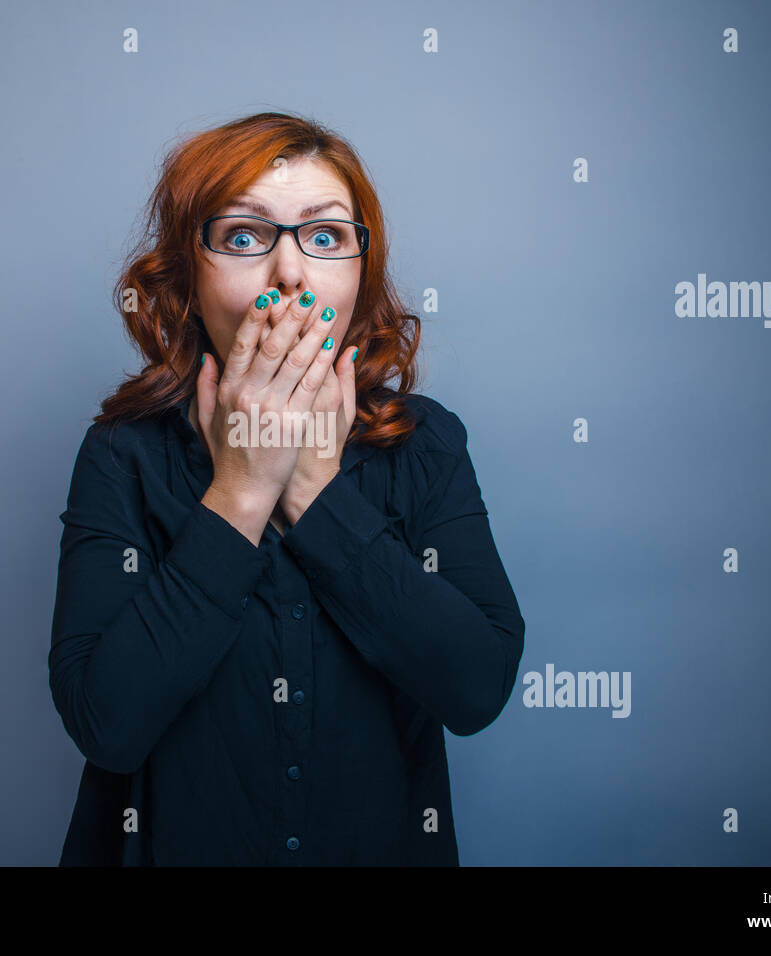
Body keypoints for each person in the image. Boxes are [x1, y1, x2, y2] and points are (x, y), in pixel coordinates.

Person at [48, 111, 525, 865]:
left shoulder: (426, 445)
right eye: (243, 237)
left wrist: (314, 492)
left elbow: (475, 687)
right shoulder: (123, 454)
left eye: (325, 235)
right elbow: (107, 723)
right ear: (186, 275)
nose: (291, 274)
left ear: (360, 270)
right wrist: (241, 490)